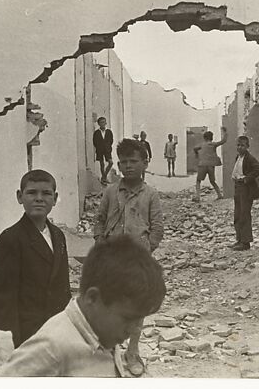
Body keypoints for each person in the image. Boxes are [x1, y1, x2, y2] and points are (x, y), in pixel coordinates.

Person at [0, 235, 166, 377]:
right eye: (128, 319)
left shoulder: (102, 333)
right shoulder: (51, 348)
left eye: (139, 320)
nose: (134, 330)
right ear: (92, 298)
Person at [93, 138, 164, 376]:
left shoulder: (151, 194)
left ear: (145, 163)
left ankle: (133, 351)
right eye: (123, 162)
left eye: (134, 161)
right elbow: (100, 220)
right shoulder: (111, 191)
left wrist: (147, 250)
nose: (128, 166)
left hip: (137, 261)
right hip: (111, 259)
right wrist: (100, 244)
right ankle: (109, 350)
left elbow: (157, 227)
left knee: (136, 306)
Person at [0, 169, 71, 348]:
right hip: (27, 335)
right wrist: (11, 347)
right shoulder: (10, 239)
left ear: (55, 198)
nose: (39, 198)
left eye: (46, 193)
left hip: (57, 331)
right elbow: (4, 301)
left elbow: (63, 287)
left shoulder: (58, 236)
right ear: (20, 197)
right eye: (32, 192)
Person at [231, 135, 259, 251]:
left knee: (244, 214)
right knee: (237, 215)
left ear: (247, 147)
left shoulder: (249, 158)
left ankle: (245, 243)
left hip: (245, 189)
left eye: (243, 146)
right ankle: (239, 239)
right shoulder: (238, 157)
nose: (240, 148)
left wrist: (247, 178)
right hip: (238, 187)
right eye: (238, 145)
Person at [193, 127, 228, 202]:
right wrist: (225, 132)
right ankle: (219, 195)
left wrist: (197, 154)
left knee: (198, 180)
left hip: (202, 164)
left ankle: (198, 197)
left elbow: (195, 148)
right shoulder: (214, 144)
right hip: (211, 165)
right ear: (211, 138)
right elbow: (223, 141)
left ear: (204, 138)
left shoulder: (202, 145)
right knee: (212, 181)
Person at [92, 116, 114, 185]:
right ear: (99, 124)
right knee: (102, 164)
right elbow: (94, 142)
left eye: (104, 122)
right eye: (101, 122)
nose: (103, 124)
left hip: (107, 150)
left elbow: (111, 140)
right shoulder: (97, 133)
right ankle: (104, 179)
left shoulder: (109, 132)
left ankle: (104, 177)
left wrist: (108, 147)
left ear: (106, 123)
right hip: (100, 150)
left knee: (110, 163)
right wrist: (99, 147)